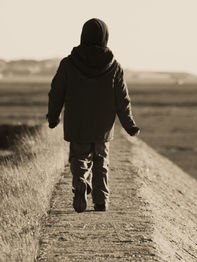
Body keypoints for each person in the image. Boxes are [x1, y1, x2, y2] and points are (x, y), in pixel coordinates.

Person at [47, 18, 140, 213]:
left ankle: (81, 181)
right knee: (101, 161)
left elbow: (57, 91)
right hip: (102, 125)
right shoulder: (114, 66)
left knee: (79, 158)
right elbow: (122, 99)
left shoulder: (68, 63)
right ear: (105, 37)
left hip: (77, 123)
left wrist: (54, 116)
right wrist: (129, 125)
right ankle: (101, 201)